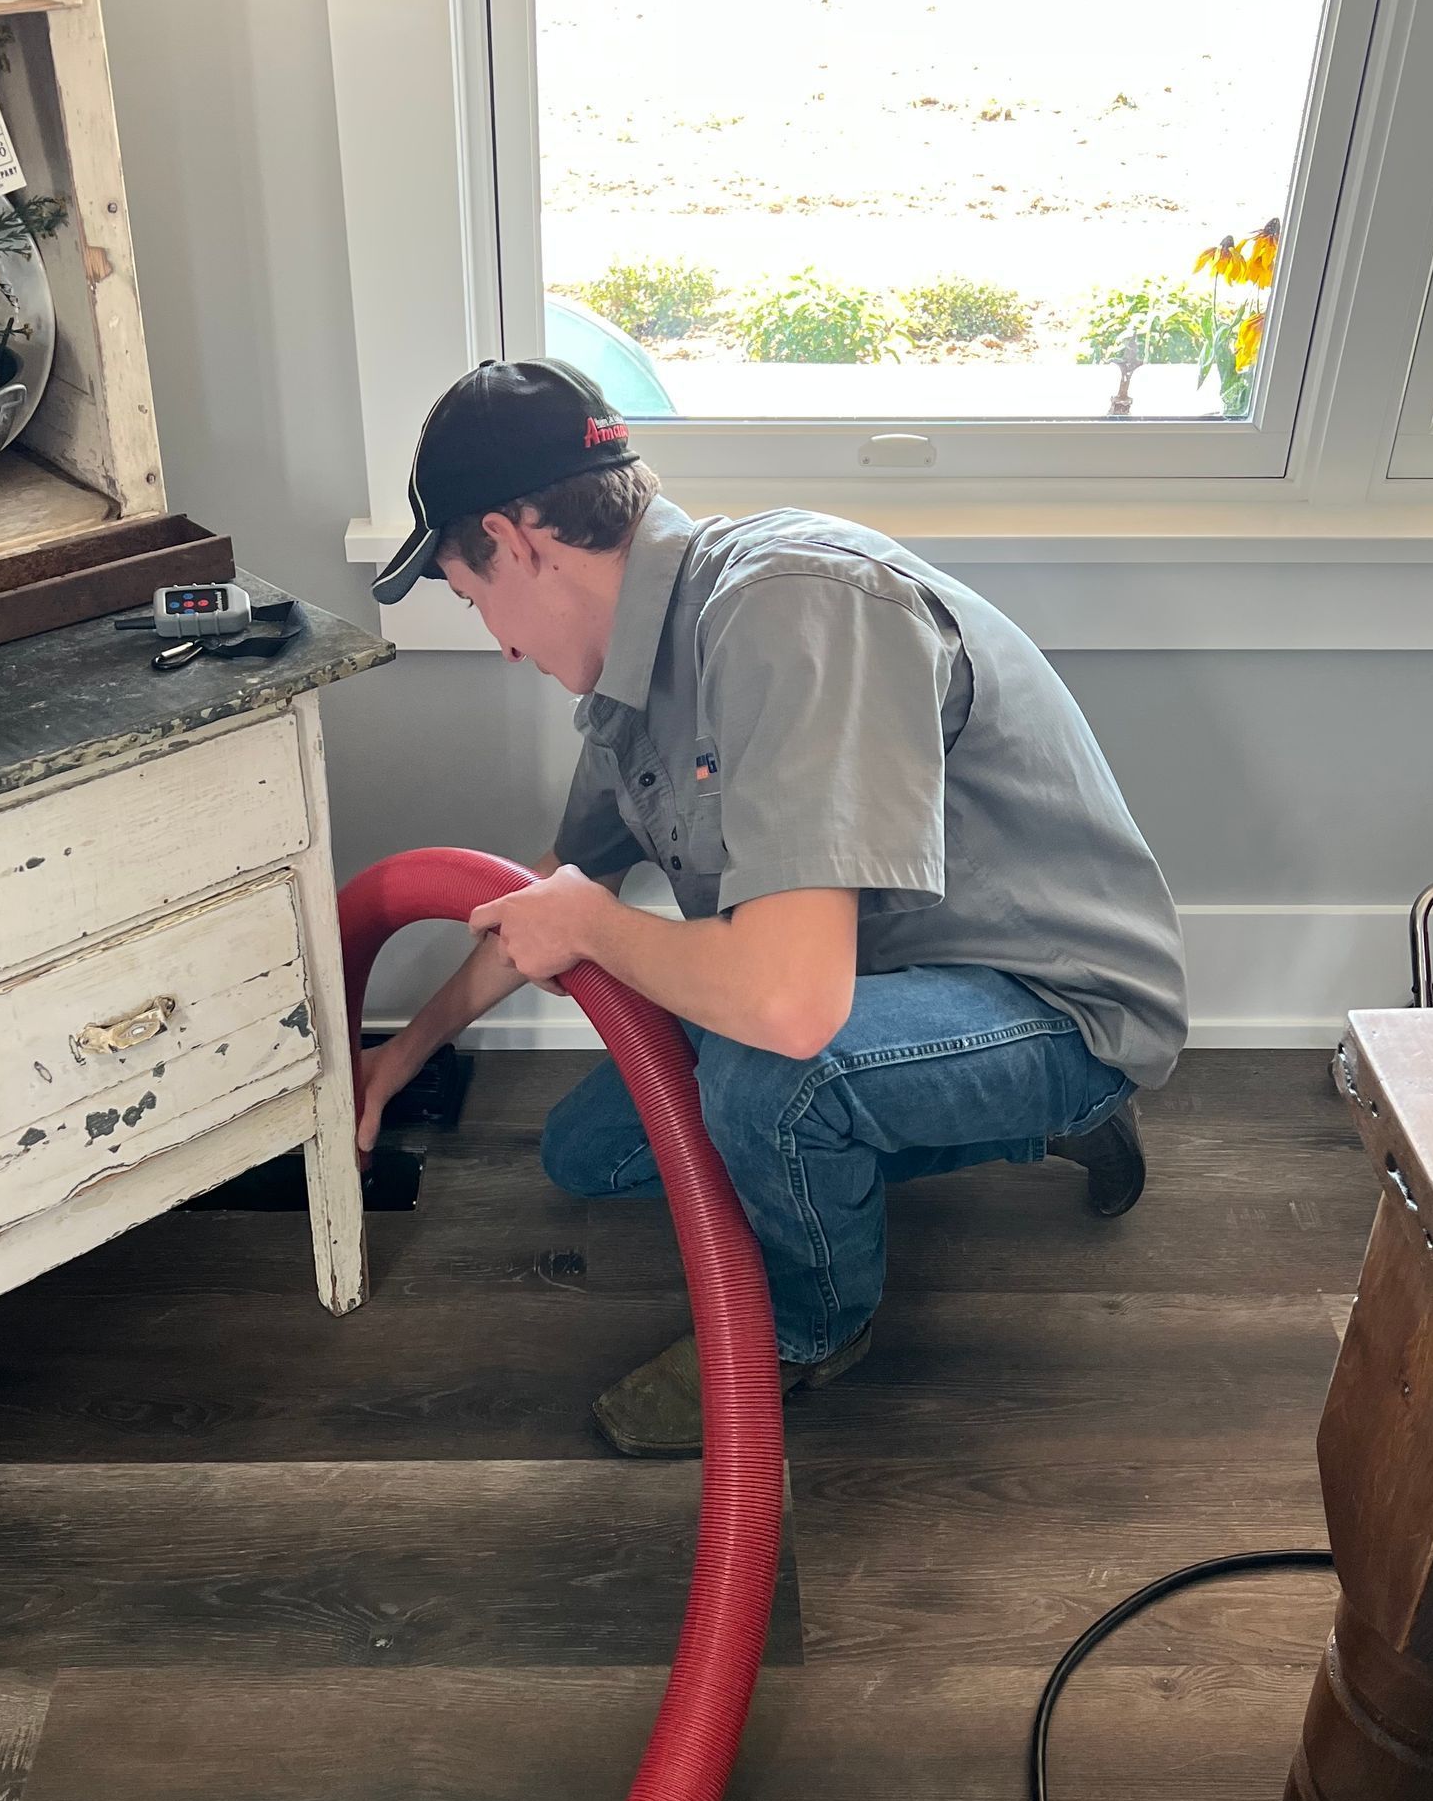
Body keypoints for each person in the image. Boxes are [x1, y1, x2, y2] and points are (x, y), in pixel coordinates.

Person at [359, 359, 1189, 1455]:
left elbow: (787, 1008)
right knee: (588, 1153)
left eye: (477, 603)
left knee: (776, 1083)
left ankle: (810, 1332)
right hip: (873, 979)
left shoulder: (791, 609)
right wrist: (402, 1056)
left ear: (518, 543)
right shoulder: (630, 686)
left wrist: (598, 929)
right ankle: (960, 1125)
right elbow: (543, 900)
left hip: (1048, 991)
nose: (502, 645)